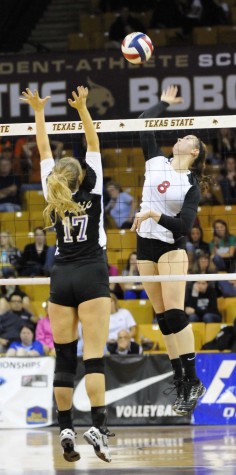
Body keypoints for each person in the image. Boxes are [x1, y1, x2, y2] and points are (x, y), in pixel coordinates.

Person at [20, 86, 113, 463]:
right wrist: (82, 109)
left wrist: (39, 111)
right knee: (94, 359)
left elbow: (44, 149)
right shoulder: (95, 190)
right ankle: (99, 428)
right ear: (83, 177)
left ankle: (66, 429)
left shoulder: (51, 194)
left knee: (63, 359)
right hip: (91, 273)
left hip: (61, 276)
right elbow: (93, 141)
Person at [131, 85, 207, 416]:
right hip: (144, 245)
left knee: (176, 313)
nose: (182, 137)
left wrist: (153, 213)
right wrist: (164, 102)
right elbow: (144, 121)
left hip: (171, 248)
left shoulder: (191, 185)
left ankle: (194, 381)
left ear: (194, 152)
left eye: (189, 138)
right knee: (162, 320)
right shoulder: (156, 161)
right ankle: (180, 382)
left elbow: (185, 227)